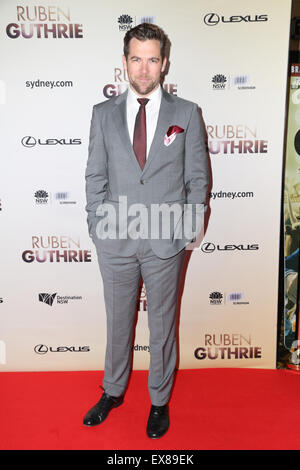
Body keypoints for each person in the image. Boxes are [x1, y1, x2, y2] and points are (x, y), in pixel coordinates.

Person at [84, 22, 209, 439]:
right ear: (124, 63)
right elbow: (95, 177)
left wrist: (188, 229)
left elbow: (198, 179)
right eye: (135, 59)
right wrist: (97, 225)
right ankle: (113, 391)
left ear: (164, 64)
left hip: (165, 241)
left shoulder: (186, 113)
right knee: (118, 322)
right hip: (115, 239)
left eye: (151, 59)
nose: (143, 69)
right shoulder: (102, 115)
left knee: (162, 325)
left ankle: (159, 400)